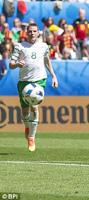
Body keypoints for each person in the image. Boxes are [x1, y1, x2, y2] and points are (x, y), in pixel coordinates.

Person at [9, 23, 58, 152]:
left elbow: (47, 61)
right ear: (26, 33)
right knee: (25, 111)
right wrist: (17, 64)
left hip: (39, 81)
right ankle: (27, 126)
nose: (32, 33)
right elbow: (11, 64)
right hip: (24, 82)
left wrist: (53, 76)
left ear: (38, 33)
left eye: (34, 31)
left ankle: (31, 137)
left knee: (35, 107)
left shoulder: (43, 46)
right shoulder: (20, 46)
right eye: (30, 31)